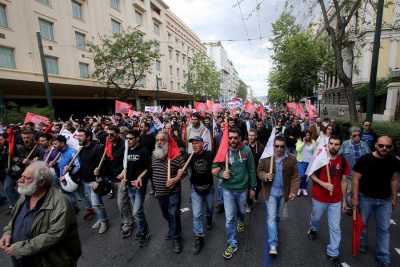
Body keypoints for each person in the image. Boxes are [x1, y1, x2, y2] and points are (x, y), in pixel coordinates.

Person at [0, 161, 81, 267]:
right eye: (22, 176)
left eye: (27, 178)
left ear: (41, 182)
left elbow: (54, 235)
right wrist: (8, 233)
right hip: (23, 260)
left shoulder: (60, 203)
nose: (20, 180)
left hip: (50, 262)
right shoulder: (25, 195)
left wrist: (21, 248)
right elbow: (15, 219)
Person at [352, 136, 399, 267]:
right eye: (381, 145)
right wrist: (355, 198)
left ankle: (383, 257)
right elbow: (355, 178)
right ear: (375, 145)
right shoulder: (365, 159)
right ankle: (362, 244)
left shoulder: (394, 161)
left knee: (384, 229)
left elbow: (394, 180)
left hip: (385, 200)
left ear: (391, 148)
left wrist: (394, 198)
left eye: (388, 146)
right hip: (366, 198)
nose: (384, 148)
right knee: (363, 225)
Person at [212, 127, 257, 260]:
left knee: (242, 212)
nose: (232, 140)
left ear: (240, 138)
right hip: (227, 190)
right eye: (230, 138)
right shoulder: (222, 151)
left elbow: (252, 169)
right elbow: (214, 168)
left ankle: (241, 220)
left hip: (242, 189)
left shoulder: (247, 150)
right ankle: (232, 243)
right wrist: (221, 173)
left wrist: (253, 188)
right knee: (230, 218)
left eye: (235, 138)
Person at [307, 136, 350, 266]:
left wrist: (344, 201)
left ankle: (333, 252)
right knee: (316, 218)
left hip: (335, 200)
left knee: (335, 227)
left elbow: (344, 181)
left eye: (336, 144)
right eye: (331, 143)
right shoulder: (321, 157)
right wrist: (324, 184)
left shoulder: (342, 161)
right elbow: (311, 174)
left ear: (340, 146)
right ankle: (313, 228)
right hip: (319, 197)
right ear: (328, 144)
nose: (333, 146)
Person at [257, 136, 299, 256]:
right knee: (271, 217)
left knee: (277, 217)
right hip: (270, 194)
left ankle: (275, 227)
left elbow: (295, 177)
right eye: (276, 146)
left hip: (283, 194)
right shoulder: (266, 158)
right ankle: (273, 244)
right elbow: (259, 171)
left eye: (282, 146)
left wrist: (293, 191)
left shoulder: (291, 159)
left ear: (285, 147)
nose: (279, 149)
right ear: (273, 146)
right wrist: (265, 176)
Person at [151, 132, 185, 253]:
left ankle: (176, 238)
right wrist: (154, 189)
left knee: (174, 213)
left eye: (162, 140)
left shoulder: (176, 155)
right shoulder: (154, 155)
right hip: (160, 192)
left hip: (173, 191)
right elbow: (153, 172)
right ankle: (173, 228)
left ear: (167, 142)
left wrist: (175, 179)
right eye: (157, 140)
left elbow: (184, 171)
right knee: (166, 214)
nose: (159, 142)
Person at [75, 128, 109, 234]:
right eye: (78, 136)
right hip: (86, 181)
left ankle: (104, 222)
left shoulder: (98, 148)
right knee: (96, 204)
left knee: (96, 204)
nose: (78, 138)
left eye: (81, 136)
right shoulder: (81, 149)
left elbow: (103, 166)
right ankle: (100, 219)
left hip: (95, 181)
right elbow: (83, 166)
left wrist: (98, 180)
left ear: (88, 137)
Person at [120, 130, 151, 245]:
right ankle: (144, 229)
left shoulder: (143, 151)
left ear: (137, 138)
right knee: (138, 211)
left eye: (131, 138)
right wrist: (123, 174)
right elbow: (125, 165)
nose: (128, 141)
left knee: (136, 211)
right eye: (127, 139)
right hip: (129, 186)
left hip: (139, 186)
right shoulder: (127, 150)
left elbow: (148, 168)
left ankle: (142, 231)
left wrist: (139, 178)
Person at [188, 136, 214, 255]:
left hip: (209, 188)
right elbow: (182, 168)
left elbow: (218, 164)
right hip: (196, 189)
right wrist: (179, 171)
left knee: (209, 208)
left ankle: (209, 218)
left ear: (202, 144)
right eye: (192, 144)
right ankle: (199, 237)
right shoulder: (190, 157)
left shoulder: (209, 155)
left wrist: (218, 169)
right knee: (197, 214)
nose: (194, 145)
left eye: (196, 143)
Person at [339, 127, 370, 214]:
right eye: (354, 135)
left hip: (362, 172)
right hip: (349, 171)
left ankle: (357, 205)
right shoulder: (345, 144)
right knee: (350, 190)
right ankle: (350, 207)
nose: (357, 137)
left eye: (359, 135)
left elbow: (369, 157)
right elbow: (339, 155)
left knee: (360, 190)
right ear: (350, 136)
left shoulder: (364, 144)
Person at [54, 135, 80, 211]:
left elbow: (78, 166)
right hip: (63, 180)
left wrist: (70, 173)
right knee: (69, 198)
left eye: (56, 144)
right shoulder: (60, 152)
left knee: (82, 196)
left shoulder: (72, 152)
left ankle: (89, 209)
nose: (54, 146)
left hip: (72, 180)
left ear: (62, 143)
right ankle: (74, 209)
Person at [247, 129, 265, 212]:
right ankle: (249, 204)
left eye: (252, 135)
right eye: (249, 135)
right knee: (249, 188)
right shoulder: (245, 146)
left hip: (257, 171)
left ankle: (255, 195)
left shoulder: (261, 147)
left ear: (256, 136)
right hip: (248, 171)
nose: (250, 137)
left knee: (259, 186)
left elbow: (264, 160)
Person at [295, 130, 316, 196]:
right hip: (301, 162)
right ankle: (299, 188)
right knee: (302, 176)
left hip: (309, 162)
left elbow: (315, 151)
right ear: (303, 135)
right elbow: (298, 149)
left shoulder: (313, 141)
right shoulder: (299, 141)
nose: (308, 136)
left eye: (309, 135)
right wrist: (303, 143)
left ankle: (304, 188)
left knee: (306, 177)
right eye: (306, 135)